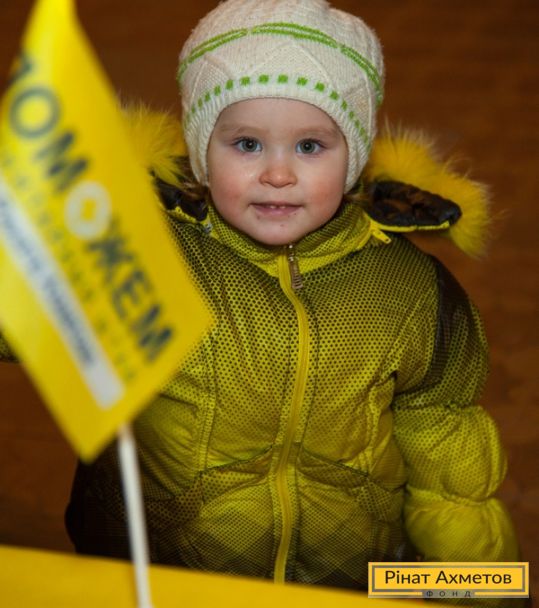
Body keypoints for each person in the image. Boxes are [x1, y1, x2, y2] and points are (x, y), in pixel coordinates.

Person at [1, 0, 523, 604]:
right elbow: (26, 314)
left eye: (310, 147)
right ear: (203, 151)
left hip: (354, 583)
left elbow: (448, 458)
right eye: (247, 144)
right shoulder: (141, 254)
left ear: (354, 156)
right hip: (166, 582)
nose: (278, 174)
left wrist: (481, 586)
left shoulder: (410, 291)